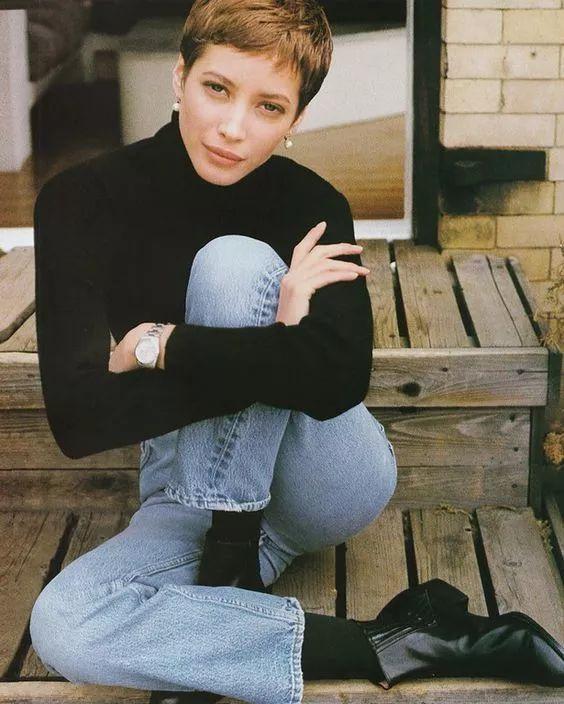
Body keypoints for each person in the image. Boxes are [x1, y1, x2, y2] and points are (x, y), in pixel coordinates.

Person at [29, 1, 564, 702]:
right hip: (187, 486)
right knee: (64, 623)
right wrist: (279, 344)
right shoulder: (81, 200)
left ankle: (229, 570)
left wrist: (164, 344)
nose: (233, 127)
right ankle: (394, 637)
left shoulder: (311, 203)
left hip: (322, 472)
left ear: (297, 119)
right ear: (180, 75)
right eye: (217, 88)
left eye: (268, 107)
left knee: (235, 265)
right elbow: (79, 420)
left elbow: (338, 378)